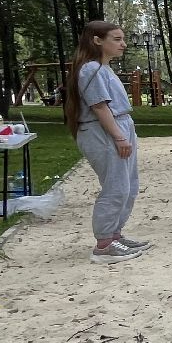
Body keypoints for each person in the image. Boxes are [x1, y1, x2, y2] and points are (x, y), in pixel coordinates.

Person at [63, 20, 148, 263]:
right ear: (97, 40)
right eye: (117, 39)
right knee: (116, 187)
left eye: (122, 39)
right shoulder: (90, 69)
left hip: (118, 124)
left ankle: (114, 234)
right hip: (103, 131)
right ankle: (103, 244)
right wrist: (119, 136)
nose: (123, 44)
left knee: (129, 186)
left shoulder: (103, 68)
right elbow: (99, 107)